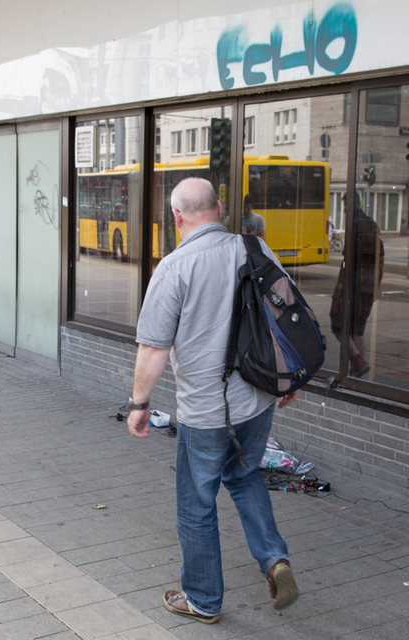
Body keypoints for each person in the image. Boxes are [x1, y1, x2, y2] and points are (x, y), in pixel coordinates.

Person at [127, 177, 299, 624]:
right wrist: (288, 381)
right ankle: (274, 558)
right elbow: (286, 322)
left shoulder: (173, 268)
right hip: (257, 400)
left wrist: (140, 403)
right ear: (219, 208)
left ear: (176, 217)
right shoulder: (257, 249)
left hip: (205, 412)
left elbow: (153, 348)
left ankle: (203, 599)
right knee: (244, 475)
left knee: (196, 503)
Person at [330, 197, 383, 377]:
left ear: (353, 205)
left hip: (353, 285)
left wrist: (340, 288)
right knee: (357, 330)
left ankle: (357, 361)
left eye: (346, 206)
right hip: (368, 286)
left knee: (338, 324)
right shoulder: (372, 225)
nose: (345, 210)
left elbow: (348, 262)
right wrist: (376, 286)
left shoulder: (355, 226)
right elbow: (380, 260)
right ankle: (357, 369)